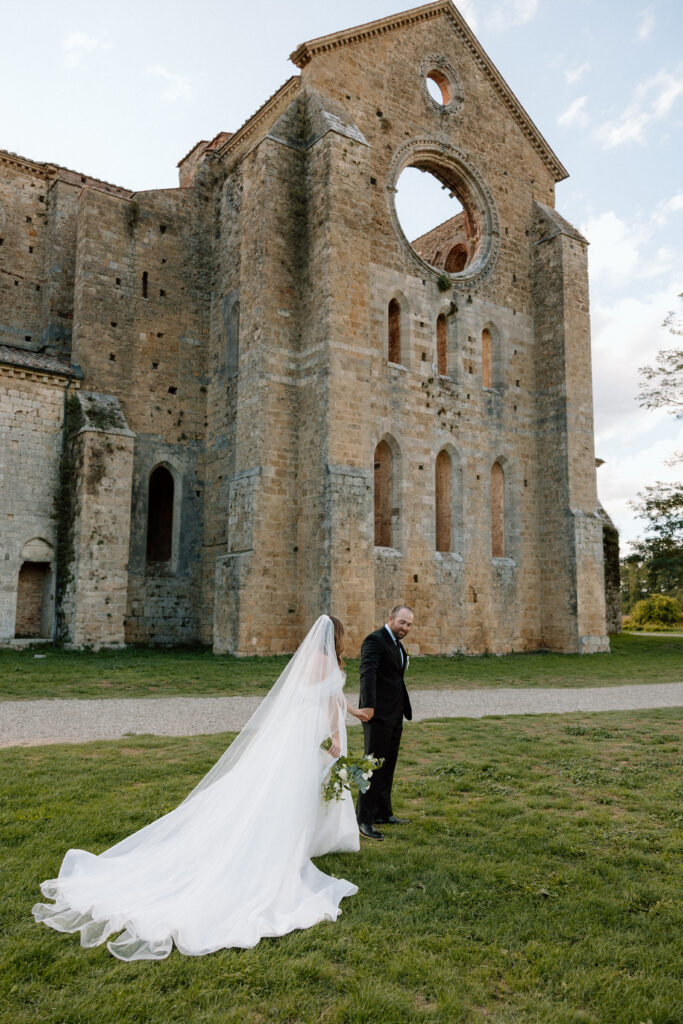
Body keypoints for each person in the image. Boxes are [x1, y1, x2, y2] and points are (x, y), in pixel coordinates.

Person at [33, 615, 370, 960]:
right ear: (338, 638)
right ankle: (290, 844)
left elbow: (325, 696)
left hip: (294, 729)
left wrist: (354, 711)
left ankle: (291, 837)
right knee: (300, 789)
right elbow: (330, 703)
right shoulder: (329, 662)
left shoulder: (308, 660)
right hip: (314, 732)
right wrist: (334, 741)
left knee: (278, 786)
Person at [356, 605, 414, 841]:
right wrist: (367, 706)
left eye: (409, 624)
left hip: (395, 713)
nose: (405, 628)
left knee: (388, 764)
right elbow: (367, 672)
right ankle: (364, 819)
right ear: (390, 618)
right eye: (402, 622)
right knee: (372, 766)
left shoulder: (397, 644)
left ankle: (382, 813)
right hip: (377, 714)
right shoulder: (374, 640)